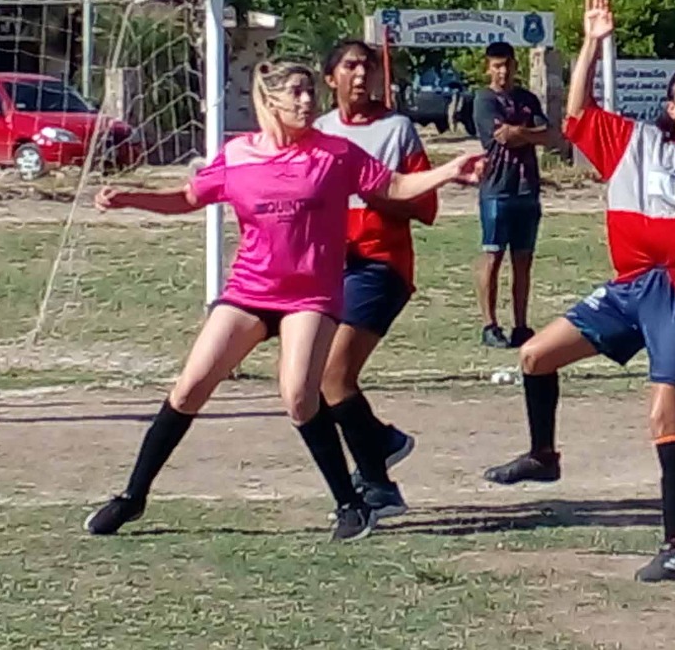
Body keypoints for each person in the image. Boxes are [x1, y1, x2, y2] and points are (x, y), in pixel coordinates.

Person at [84, 60, 482, 542]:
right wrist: (131, 198)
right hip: (250, 291)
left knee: (298, 396)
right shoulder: (237, 155)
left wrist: (449, 171)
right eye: (296, 92)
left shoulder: (335, 153)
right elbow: (190, 196)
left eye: (311, 91)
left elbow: (394, 187)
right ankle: (132, 497)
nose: (307, 101)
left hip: (310, 296)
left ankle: (350, 504)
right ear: (269, 100)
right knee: (190, 388)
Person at [481, 0, 675, 582]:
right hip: (630, 288)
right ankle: (544, 456)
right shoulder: (633, 144)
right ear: (669, 106)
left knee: (663, 419)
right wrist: (593, 42)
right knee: (535, 356)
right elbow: (576, 115)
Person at [313, 40, 437, 520]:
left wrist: (375, 193)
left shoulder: (397, 130)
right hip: (327, 270)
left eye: (367, 66)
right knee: (315, 381)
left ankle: (378, 475)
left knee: (333, 375)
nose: (361, 74)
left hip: (381, 266)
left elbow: (425, 207)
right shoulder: (318, 132)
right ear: (331, 78)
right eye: (349, 65)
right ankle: (380, 458)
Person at [472, 40, 550, 349]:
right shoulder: (483, 100)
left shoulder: (528, 99)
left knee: (523, 260)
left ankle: (521, 324)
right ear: (488, 68)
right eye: (497, 66)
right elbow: (500, 137)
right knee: (493, 256)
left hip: (527, 188)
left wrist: (521, 133)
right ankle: (489, 324)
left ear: (516, 66)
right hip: (497, 188)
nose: (503, 71)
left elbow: (551, 134)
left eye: (507, 65)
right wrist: (527, 134)